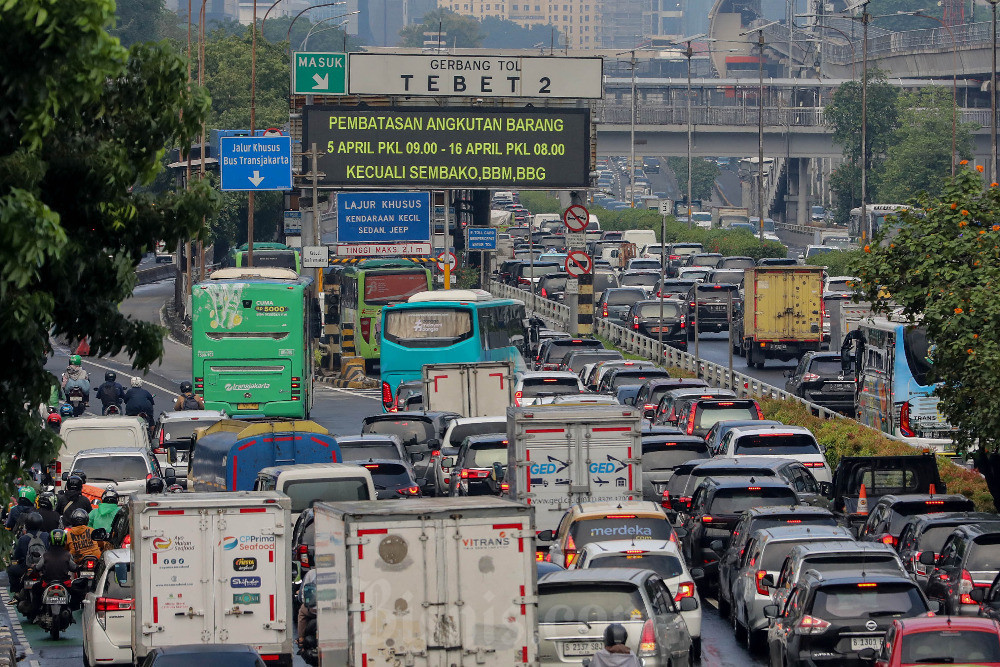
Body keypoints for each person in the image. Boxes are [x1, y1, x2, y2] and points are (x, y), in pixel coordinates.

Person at [27, 529, 77, 611]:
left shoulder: (45, 555)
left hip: (47, 582)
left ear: (50, 541)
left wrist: (34, 568)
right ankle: (71, 610)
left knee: (35, 589)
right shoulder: (67, 555)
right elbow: (74, 568)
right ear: (64, 541)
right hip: (64, 583)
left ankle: (34, 613)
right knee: (76, 593)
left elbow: (38, 567)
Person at [7, 513, 49, 596]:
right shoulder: (46, 536)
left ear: (27, 524)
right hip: (44, 567)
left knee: (11, 570)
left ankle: (17, 593)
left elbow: (17, 555)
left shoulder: (23, 538)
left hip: (27, 567)